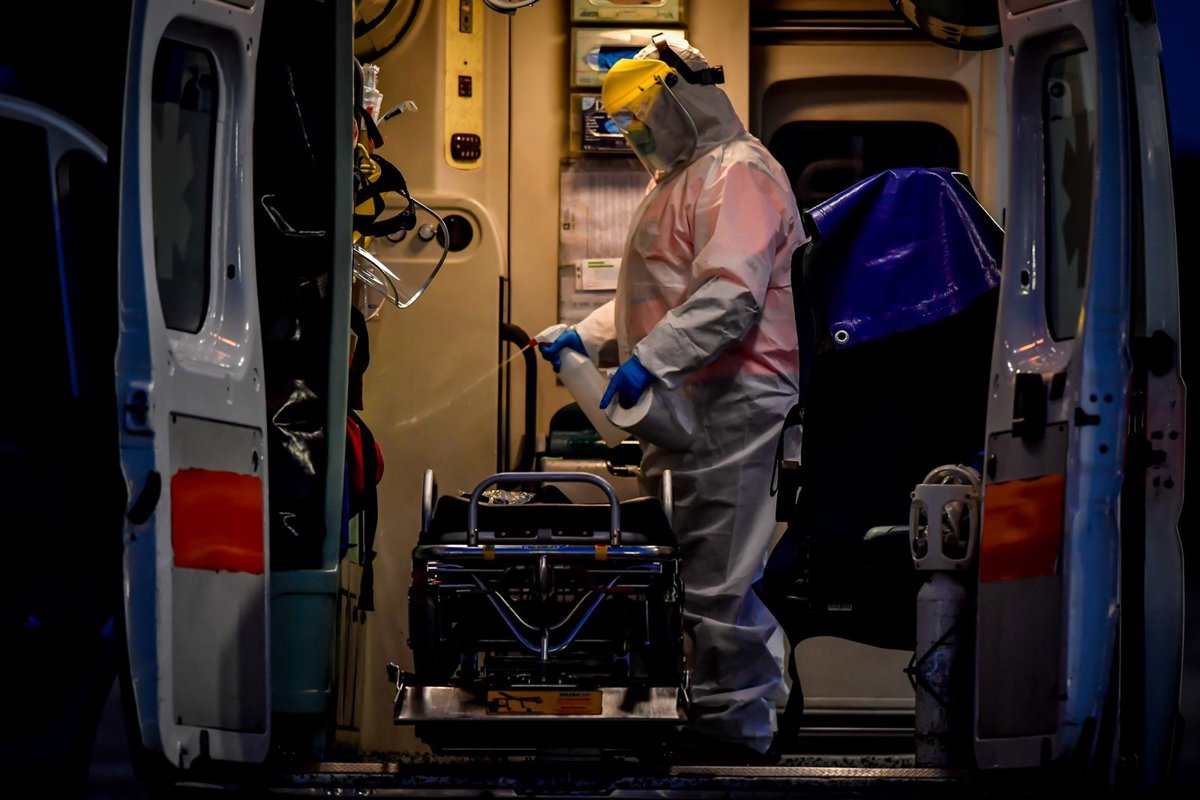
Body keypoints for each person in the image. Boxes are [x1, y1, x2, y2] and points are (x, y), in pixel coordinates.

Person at [539, 35, 805, 761]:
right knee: (689, 571)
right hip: (691, 404)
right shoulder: (680, 182)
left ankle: (739, 731)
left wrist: (648, 361)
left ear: (681, 99)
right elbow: (655, 296)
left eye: (641, 114)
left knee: (723, 577)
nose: (635, 132)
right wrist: (589, 337)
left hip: (738, 402)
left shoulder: (739, 172)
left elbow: (729, 295)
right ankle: (714, 717)